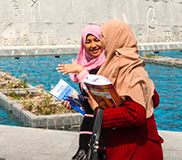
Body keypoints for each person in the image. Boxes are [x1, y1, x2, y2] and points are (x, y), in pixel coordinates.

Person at [91, 20, 163, 160]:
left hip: (135, 150)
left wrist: (99, 112)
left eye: (103, 37)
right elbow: (153, 98)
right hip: (127, 146)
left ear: (115, 39)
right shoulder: (123, 65)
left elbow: (136, 113)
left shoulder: (129, 69)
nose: (102, 42)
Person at [56, 25, 107, 160]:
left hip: (103, 127)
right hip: (88, 127)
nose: (93, 45)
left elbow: (101, 95)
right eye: (88, 41)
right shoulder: (86, 67)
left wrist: (80, 71)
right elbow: (89, 99)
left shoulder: (107, 66)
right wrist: (74, 102)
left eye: (96, 40)